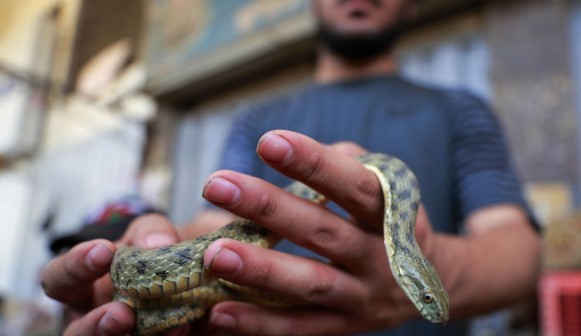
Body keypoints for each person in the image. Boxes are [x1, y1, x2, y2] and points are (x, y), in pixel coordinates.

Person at [41, 0, 542, 335]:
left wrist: (443, 267)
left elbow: (518, 252)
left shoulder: (461, 110)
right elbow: (216, 228)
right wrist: (143, 256)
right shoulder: (259, 119)